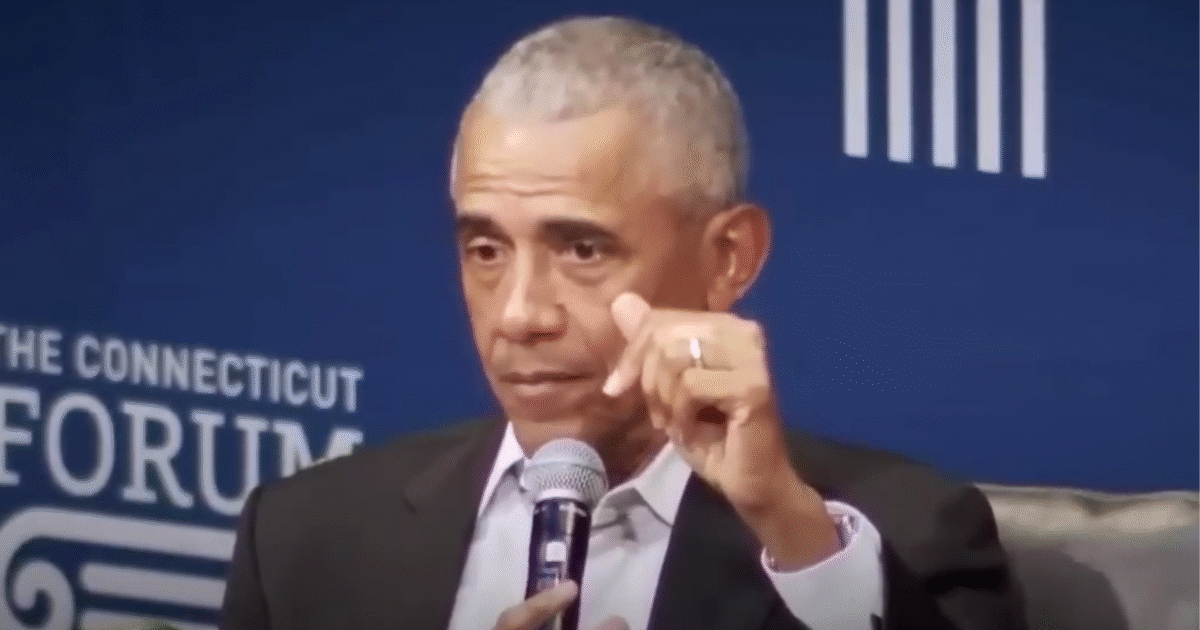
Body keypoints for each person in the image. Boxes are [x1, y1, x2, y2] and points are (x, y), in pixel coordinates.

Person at [219, 15, 1027, 630]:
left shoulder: (896, 539)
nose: (520, 314)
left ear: (728, 258)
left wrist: (788, 523)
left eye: (582, 249)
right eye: (486, 249)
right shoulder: (304, 539)